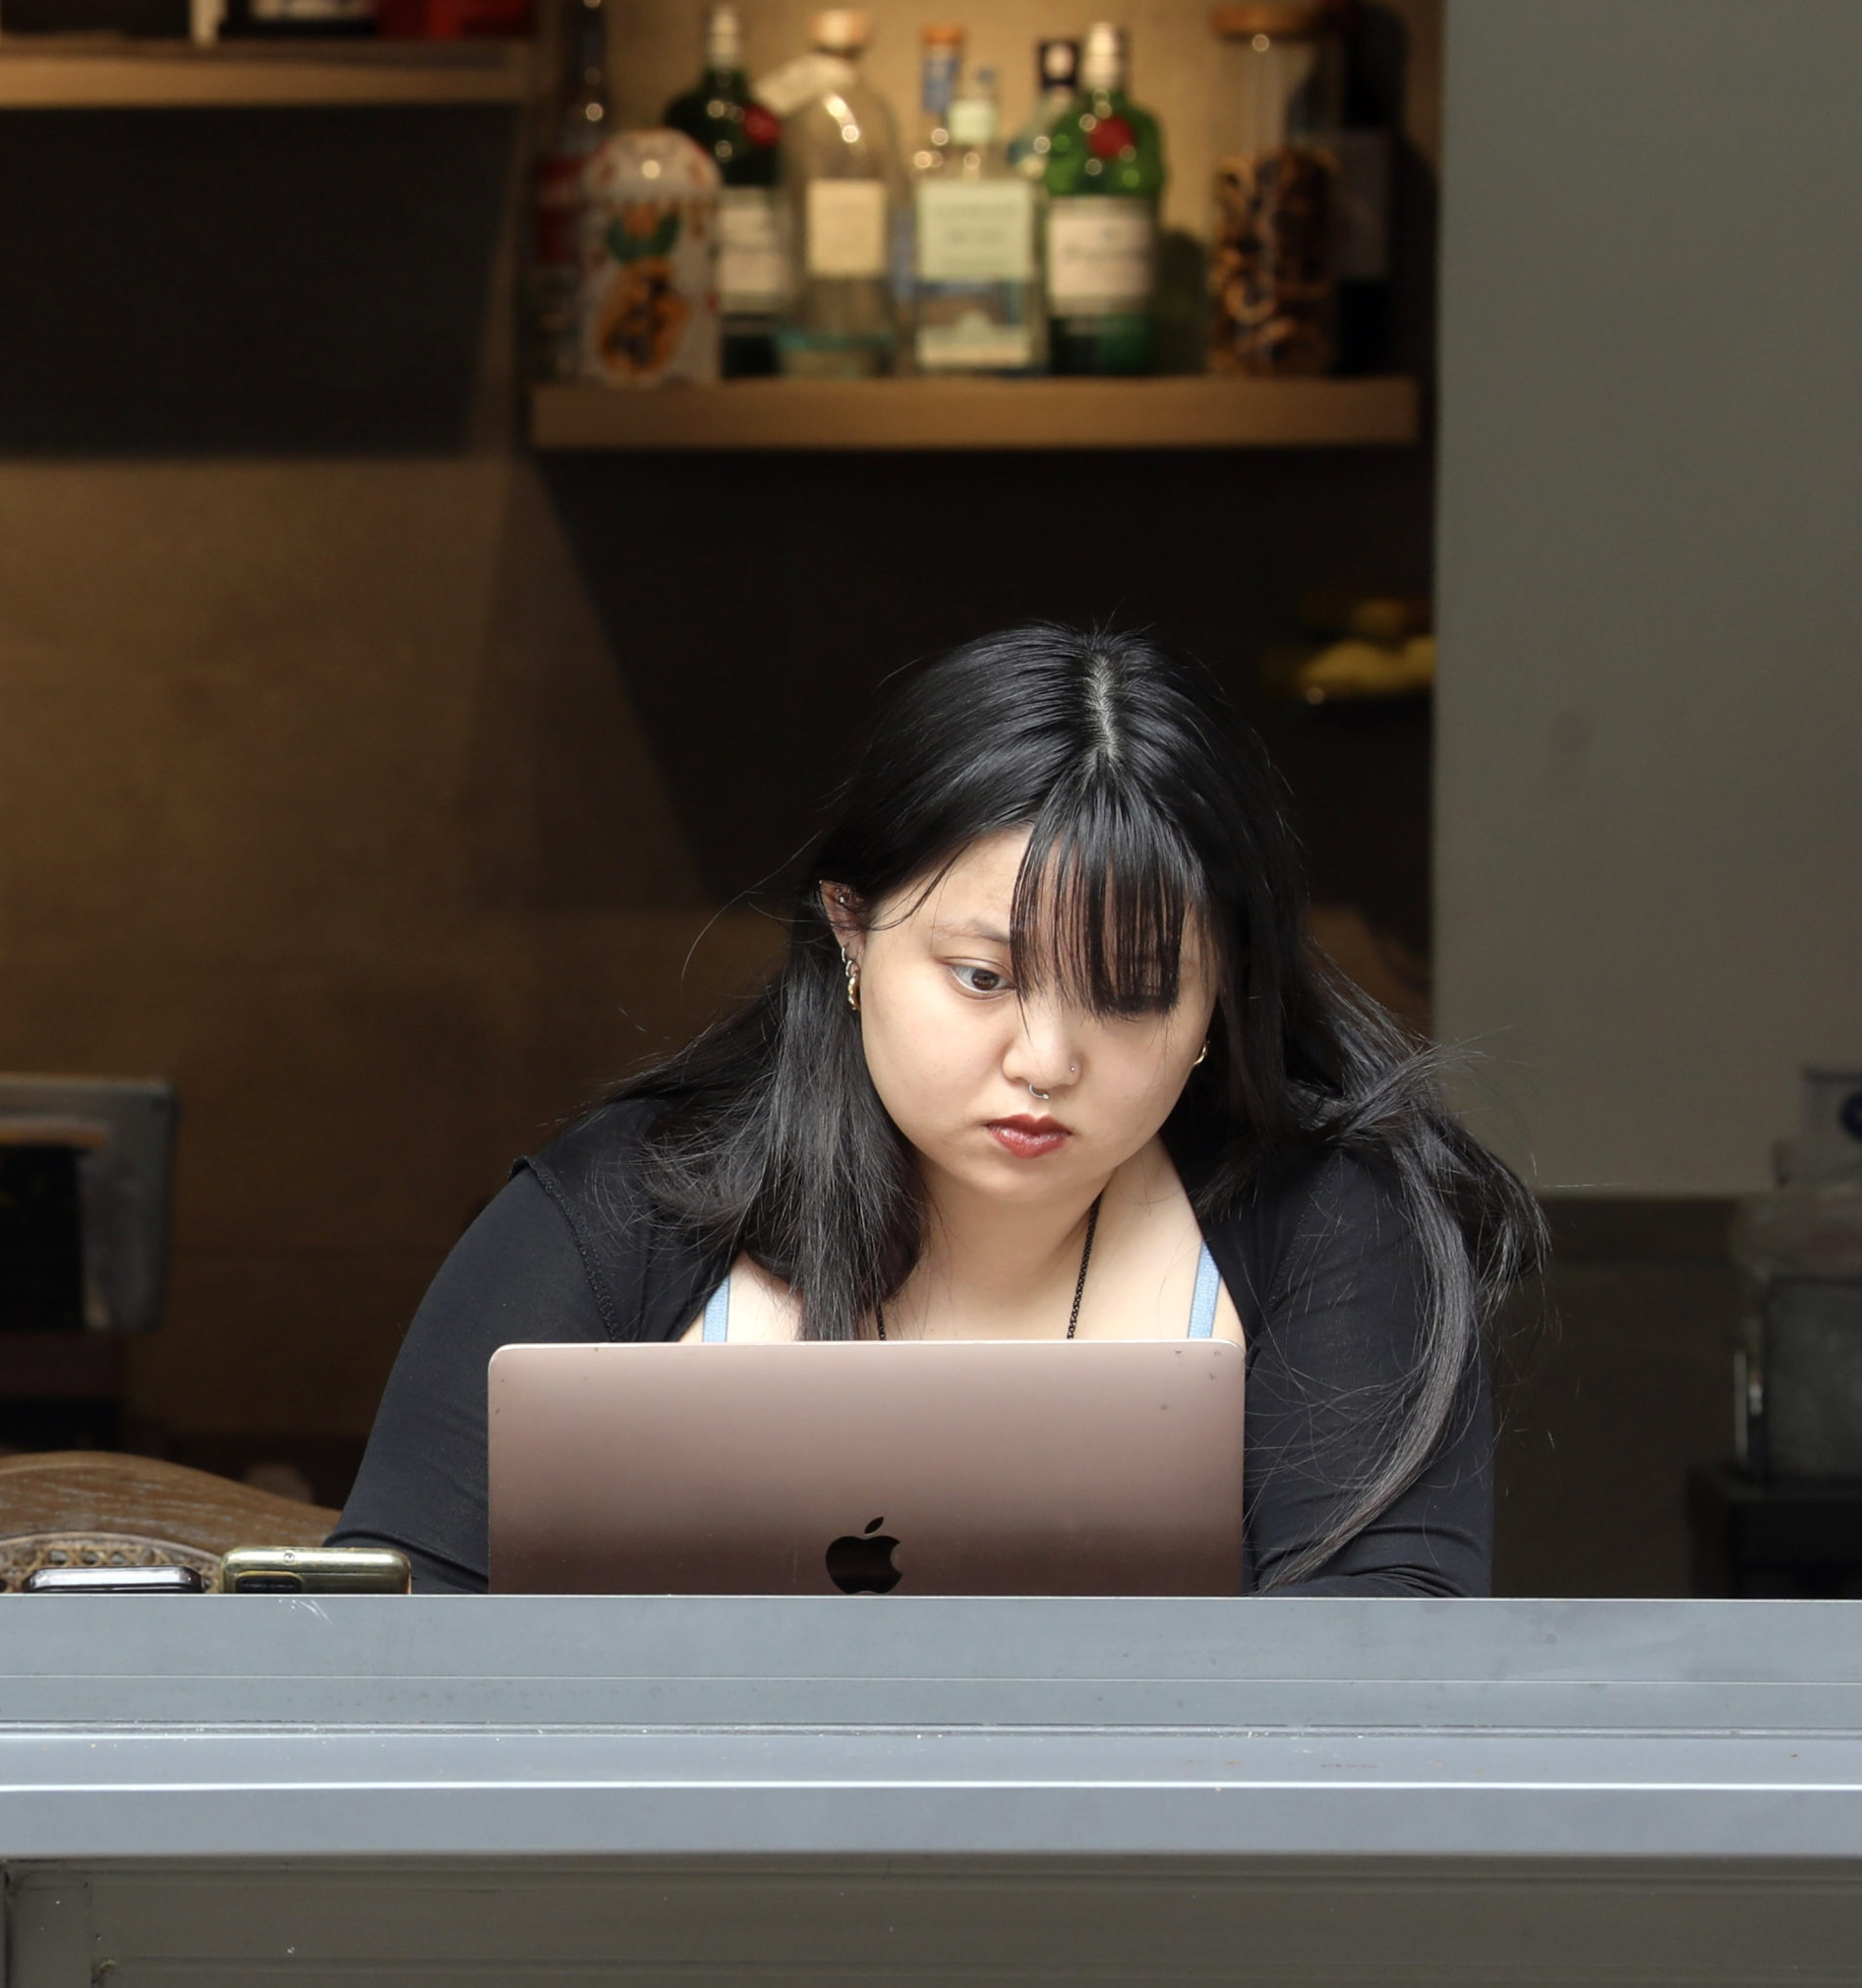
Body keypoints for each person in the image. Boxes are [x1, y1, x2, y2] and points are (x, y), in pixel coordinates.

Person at [331, 623, 1536, 1597]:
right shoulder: (623, 1208)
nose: (1048, 1058)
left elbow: (1382, 1689)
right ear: (851, 935)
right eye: (984, 978)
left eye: (1133, 993)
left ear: (1225, 992)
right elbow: (384, 1628)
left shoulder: (1337, 1231)